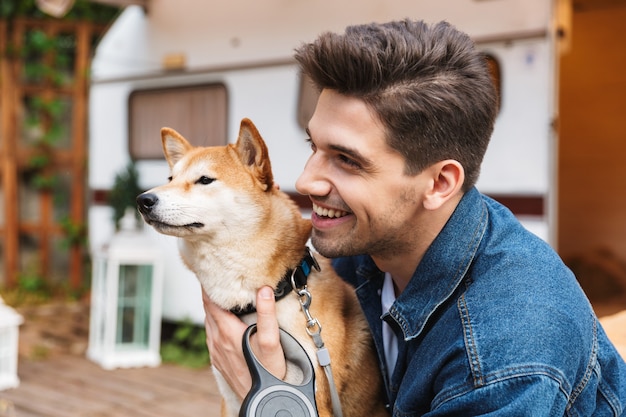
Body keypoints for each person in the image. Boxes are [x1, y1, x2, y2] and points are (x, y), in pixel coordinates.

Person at [203, 19, 626, 415]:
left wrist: (270, 400)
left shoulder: (507, 353)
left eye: (347, 160)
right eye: (313, 146)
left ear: (440, 183)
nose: (306, 180)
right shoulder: (365, 253)